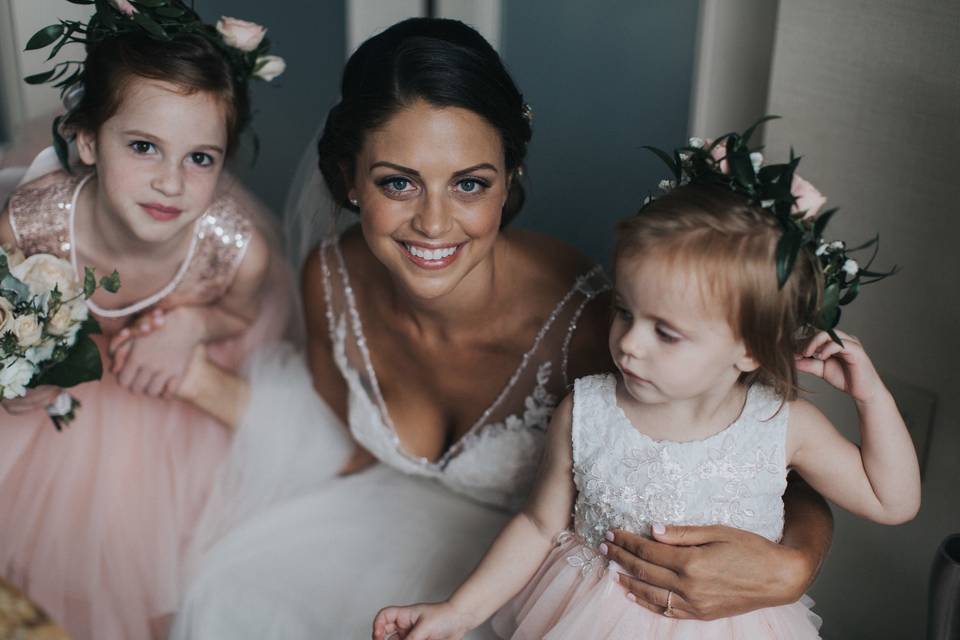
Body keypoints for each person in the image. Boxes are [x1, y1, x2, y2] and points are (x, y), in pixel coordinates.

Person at [172, 19, 833, 639]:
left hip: (541, 588)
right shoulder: (329, 280)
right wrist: (196, 375)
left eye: (470, 184)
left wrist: (793, 564)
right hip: (370, 529)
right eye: (399, 183)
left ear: (510, 178)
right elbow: (339, 444)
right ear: (348, 179)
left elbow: (770, 458)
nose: (434, 224)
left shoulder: (599, 327)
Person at [372, 132, 920, 639]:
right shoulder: (587, 409)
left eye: (667, 333)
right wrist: (458, 612)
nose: (631, 343)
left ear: (749, 347)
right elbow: (538, 525)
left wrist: (872, 398)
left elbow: (891, 501)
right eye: (624, 312)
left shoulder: (783, 424)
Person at [0, 2, 289, 638]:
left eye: (200, 158)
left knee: (164, 562)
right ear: (86, 141)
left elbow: (237, 313)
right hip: (68, 389)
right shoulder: (32, 223)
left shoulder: (234, 250)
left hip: (164, 403)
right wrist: (29, 370)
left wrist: (193, 327)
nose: (171, 183)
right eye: (142, 146)